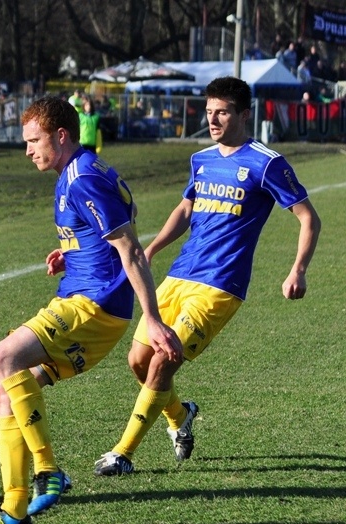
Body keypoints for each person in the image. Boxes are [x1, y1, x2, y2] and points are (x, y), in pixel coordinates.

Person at [0, 96, 181, 524]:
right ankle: (16, 512)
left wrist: (152, 319)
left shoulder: (81, 180)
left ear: (60, 135)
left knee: (5, 356)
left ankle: (44, 477)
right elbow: (119, 222)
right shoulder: (85, 170)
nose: (27, 150)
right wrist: (75, 250)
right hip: (91, 301)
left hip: (93, 306)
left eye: (33, 140)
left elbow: (131, 248)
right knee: (3, 396)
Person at [94, 76, 321, 476]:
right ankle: (181, 415)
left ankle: (122, 453)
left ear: (243, 114)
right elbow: (185, 210)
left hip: (221, 285)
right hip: (181, 274)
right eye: (210, 111)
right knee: (138, 361)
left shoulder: (265, 163)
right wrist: (152, 248)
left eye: (222, 112)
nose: (213, 119)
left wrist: (297, 271)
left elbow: (308, 218)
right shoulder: (201, 160)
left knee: (163, 361)